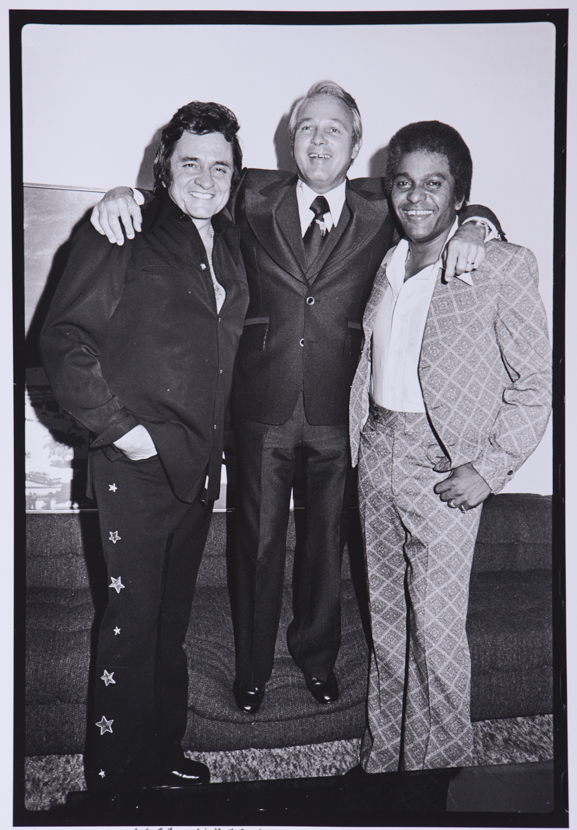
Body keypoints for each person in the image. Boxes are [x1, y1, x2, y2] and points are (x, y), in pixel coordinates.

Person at [90, 81, 502, 716]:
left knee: (326, 548)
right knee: (255, 546)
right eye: (307, 127)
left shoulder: (381, 204)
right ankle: (251, 669)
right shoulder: (251, 192)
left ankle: (317, 659)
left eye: (333, 128)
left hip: (343, 414)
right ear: (291, 138)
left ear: (356, 144)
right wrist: (125, 195)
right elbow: (185, 192)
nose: (318, 139)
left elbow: (442, 208)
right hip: (260, 410)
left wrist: (483, 222)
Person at [40, 101, 249, 793]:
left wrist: (478, 216)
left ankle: (158, 752)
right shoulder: (122, 227)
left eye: (220, 165)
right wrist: (121, 432)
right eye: (189, 162)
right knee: (130, 627)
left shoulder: (232, 237)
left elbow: (340, 187)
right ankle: (113, 778)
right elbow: (64, 341)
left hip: (198, 469)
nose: (205, 176)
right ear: (163, 166)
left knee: (169, 625)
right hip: (133, 467)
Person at [349, 120, 551, 773]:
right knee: (386, 632)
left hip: (443, 470)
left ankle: (436, 780)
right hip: (375, 454)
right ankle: (383, 763)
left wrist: (489, 471)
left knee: (436, 637)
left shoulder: (497, 263)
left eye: (433, 184)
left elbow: (536, 382)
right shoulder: (384, 259)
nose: (416, 197)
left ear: (457, 193)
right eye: (404, 183)